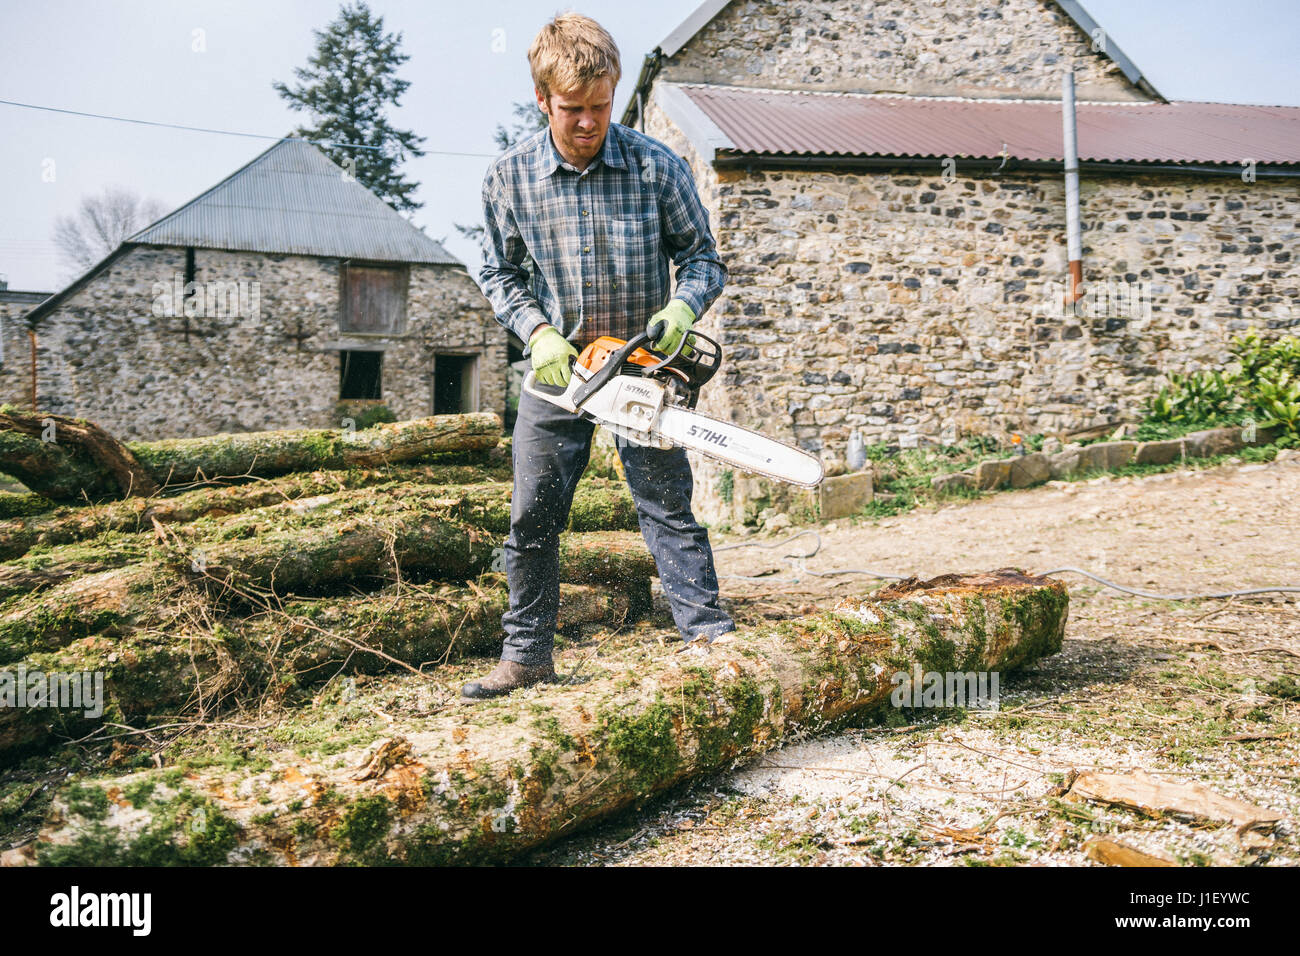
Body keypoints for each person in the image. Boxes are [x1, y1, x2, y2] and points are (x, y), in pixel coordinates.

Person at [463, 12, 735, 701]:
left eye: (600, 106)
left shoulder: (654, 165)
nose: (588, 122)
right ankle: (526, 655)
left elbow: (702, 258)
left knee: (665, 506)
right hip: (560, 374)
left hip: (641, 367)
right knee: (533, 514)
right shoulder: (509, 179)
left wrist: (681, 307)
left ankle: (710, 641)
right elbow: (499, 273)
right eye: (573, 109)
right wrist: (536, 330)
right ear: (542, 100)